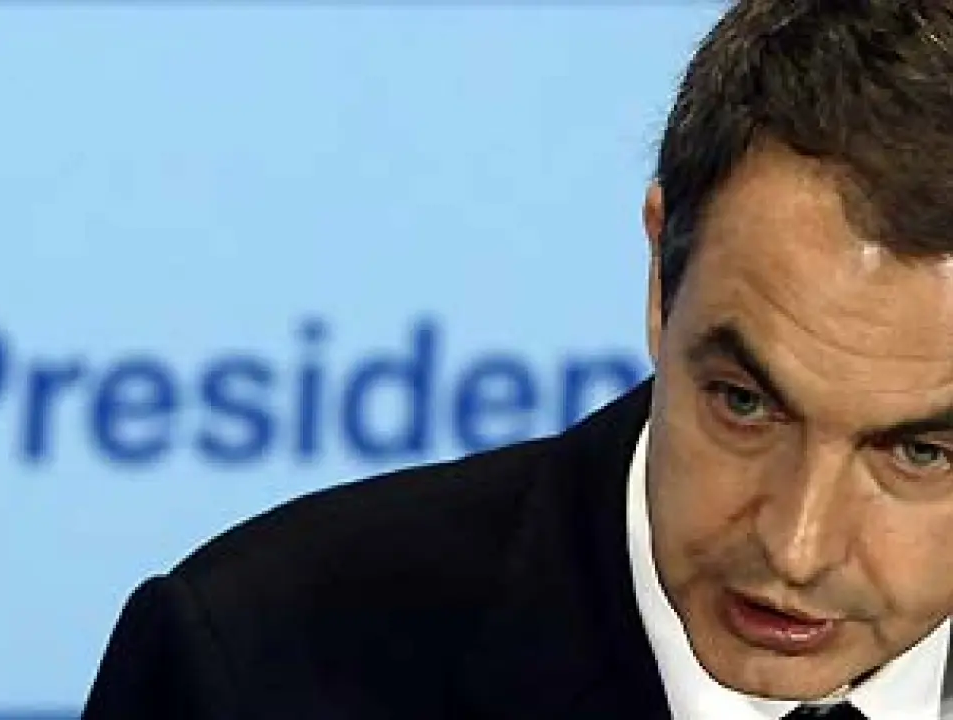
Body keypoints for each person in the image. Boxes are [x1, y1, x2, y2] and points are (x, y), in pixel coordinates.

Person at [80, 1, 953, 717]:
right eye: (744, 404)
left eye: (920, 453)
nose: (797, 547)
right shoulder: (254, 669)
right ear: (661, 277)